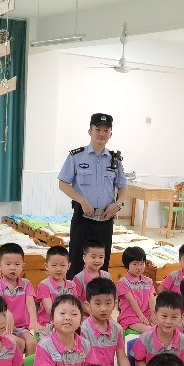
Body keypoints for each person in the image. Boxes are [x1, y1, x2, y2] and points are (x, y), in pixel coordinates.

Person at [59, 112, 127, 278]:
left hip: (105, 220)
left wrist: (117, 204)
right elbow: (63, 184)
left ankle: (99, 294)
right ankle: (75, 293)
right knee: (76, 262)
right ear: (90, 131)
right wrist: (82, 200)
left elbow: (123, 187)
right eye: (98, 129)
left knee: (101, 264)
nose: (101, 133)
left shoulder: (115, 160)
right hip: (82, 219)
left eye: (106, 130)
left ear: (110, 134)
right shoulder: (76, 156)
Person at [82, 277, 142, 366]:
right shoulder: (83, 329)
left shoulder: (117, 329)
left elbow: (122, 357)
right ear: (88, 305)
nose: (103, 308)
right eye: (97, 303)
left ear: (115, 304)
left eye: (108, 303)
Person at [129, 291, 184, 366]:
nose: (168, 321)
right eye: (164, 316)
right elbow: (139, 361)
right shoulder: (146, 337)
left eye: (174, 317)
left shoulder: (182, 340)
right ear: (155, 314)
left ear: (181, 318)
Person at [0, 242, 39, 354]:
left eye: (17, 264)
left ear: (23, 266)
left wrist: (33, 320)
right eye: (8, 264)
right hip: (3, 327)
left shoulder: (26, 284)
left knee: (32, 343)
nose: (12, 268)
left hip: (22, 327)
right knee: (17, 343)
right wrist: (7, 312)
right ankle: (15, 365)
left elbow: (30, 302)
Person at [36, 245, 75, 333]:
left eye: (62, 265)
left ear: (68, 266)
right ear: (46, 266)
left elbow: (75, 306)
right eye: (54, 265)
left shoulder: (72, 285)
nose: (58, 269)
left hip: (68, 321)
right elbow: (50, 310)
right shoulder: (44, 285)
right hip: (48, 324)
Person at [117, 246, 155, 333]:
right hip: (130, 317)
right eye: (135, 264)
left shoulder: (148, 281)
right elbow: (132, 301)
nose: (139, 267)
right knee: (150, 331)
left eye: (142, 263)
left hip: (147, 315)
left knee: (162, 328)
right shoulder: (123, 282)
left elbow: (151, 299)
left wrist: (153, 314)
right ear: (127, 265)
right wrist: (141, 316)